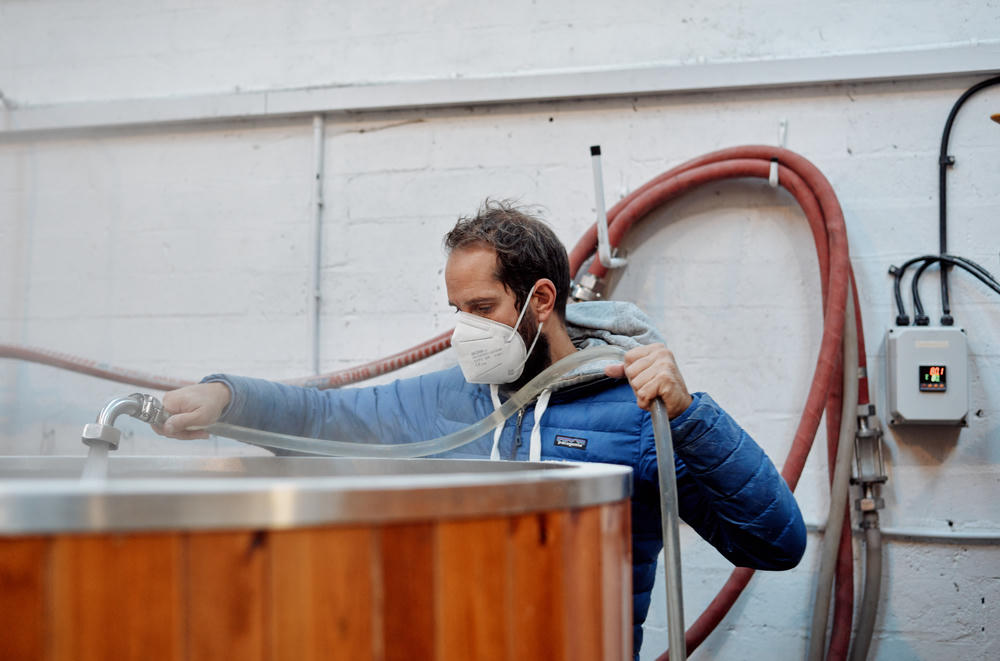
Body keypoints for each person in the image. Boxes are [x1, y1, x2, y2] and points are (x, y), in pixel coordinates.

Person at [157, 199, 806, 658]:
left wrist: (693, 416)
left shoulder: (637, 411)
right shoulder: (451, 399)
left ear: (541, 300)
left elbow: (775, 542)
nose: (465, 327)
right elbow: (328, 418)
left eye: (482, 307)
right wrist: (228, 397)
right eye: (456, 310)